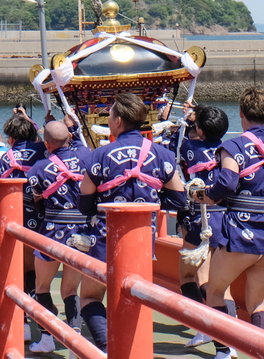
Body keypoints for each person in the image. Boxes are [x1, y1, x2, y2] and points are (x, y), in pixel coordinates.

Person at [76, 92, 188, 353]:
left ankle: (109, 349)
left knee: (91, 296)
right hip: (143, 236)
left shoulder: (99, 155)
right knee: (133, 293)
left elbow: (84, 202)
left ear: (117, 122)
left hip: (105, 235)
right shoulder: (162, 155)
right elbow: (179, 198)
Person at [194, 88, 264, 359]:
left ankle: (224, 352)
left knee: (214, 291)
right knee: (258, 303)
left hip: (241, 234)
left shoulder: (232, 147)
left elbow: (227, 183)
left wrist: (202, 196)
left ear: (241, 114)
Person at [0, 113, 46, 340]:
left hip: (16, 221)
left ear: (11, 138)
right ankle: (47, 330)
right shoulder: (43, 150)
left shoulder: (7, 158)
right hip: (44, 221)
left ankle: (23, 327)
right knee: (40, 277)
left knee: (19, 276)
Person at [175, 105, 237, 351]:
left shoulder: (189, 148)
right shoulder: (231, 150)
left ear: (199, 129)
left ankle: (205, 327)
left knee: (188, 276)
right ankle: (231, 336)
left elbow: (180, 143)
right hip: (226, 219)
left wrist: (190, 120)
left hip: (199, 218)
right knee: (222, 284)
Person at [25, 121, 89, 353]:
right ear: (70, 139)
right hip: (82, 232)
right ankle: (75, 341)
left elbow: (34, 198)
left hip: (52, 231)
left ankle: (47, 338)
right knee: (71, 291)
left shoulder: (38, 168)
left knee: (42, 286)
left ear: (46, 144)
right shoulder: (85, 159)